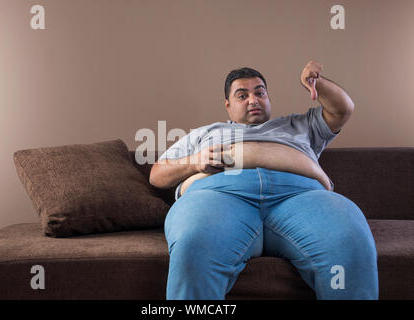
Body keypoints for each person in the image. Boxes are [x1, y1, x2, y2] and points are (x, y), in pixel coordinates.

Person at [149, 61, 378, 300]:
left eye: (260, 93)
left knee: (350, 241)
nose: (253, 100)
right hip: (217, 197)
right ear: (227, 105)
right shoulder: (204, 134)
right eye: (242, 95)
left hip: (303, 198)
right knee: (195, 244)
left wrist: (316, 82)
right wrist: (195, 162)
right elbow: (157, 175)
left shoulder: (300, 126)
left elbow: (343, 109)